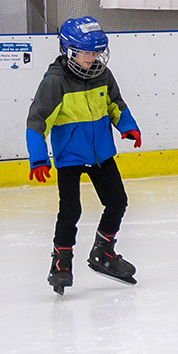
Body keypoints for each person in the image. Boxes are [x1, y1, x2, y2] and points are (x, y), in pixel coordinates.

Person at [28, 15, 141, 293]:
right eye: (86, 53)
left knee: (117, 201)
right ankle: (61, 263)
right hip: (70, 156)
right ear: (69, 51)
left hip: (101, 153)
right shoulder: (55, 82)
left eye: (96, 52)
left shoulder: (103, 75)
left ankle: (103, 252)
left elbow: (116, 104)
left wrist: (128, 126)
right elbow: (37, 122)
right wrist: (39, 158)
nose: (92, 58)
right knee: (70, 211)